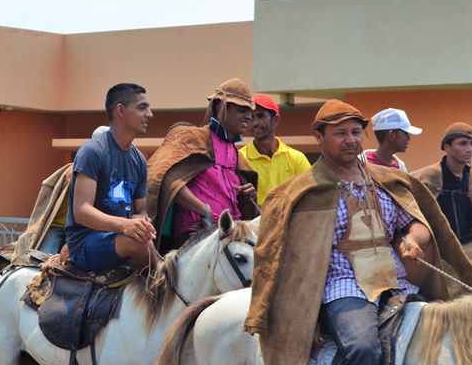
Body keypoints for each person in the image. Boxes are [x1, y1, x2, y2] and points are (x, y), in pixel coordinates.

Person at [244, 99, 472, 365]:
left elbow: (418, 223)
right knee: (362, 348)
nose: (350, 140)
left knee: (451, 339)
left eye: (356, 132)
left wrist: (412, 241)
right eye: (340, 133)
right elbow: (275, 259)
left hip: (393, 280)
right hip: (340, 284)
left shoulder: (386, 179)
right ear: (318, 137)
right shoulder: (300, 191)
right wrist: (300, 315)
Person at [146, 79, 258, 252]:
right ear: (221, 107)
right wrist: (205, 212)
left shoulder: (237, 154)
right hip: (195, 236)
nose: (249, 117)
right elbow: (166, 178)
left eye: (250, 112)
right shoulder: (188, 136)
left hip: (232, 234)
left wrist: (248, 196)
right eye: (242, 110)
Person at [65, 83, 158, 271]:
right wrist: (124, 225)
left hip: (118, 238)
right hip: (85, 243)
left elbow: (141, 209)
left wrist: (141, 222)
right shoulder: (92, 152)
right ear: (121, 111)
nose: (150, 114)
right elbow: (81, 211)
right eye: (142, 108)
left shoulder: (138, 159)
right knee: (139, 245)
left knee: (143, 240)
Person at [11, 126, 109, 266]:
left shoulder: (104, 171)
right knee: (42, 265)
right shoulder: (81, 168)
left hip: (86, 229)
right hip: (60, 228)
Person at [412, 122, 472, 238]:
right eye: (463, 143)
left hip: (467, 248)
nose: (469, 149)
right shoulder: (426, 177)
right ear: (447, 147)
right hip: (433, 247)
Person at [239, 93, 311, 206]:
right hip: (254, 222)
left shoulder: (297, 158)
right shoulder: (239, 158)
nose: (255, 123)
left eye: (260, 116)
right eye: (251, 118)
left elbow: (311, 196)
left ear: (276, 120)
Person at [362, 108, 421, 172]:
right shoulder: (360, 163)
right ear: (392, 134)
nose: (409, 138)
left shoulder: (401, 167)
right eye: (406, 133)